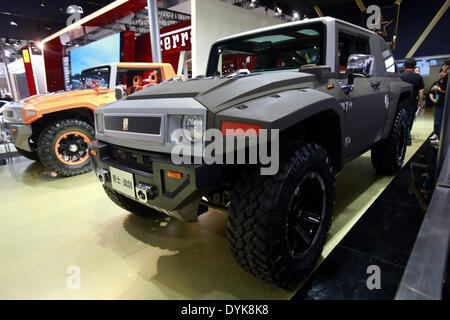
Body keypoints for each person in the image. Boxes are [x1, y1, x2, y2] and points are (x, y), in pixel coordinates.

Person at [400, 58, 424, 145]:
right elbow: (421, 91)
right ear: (414, 67)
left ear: (404, 66)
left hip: (401, 103)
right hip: (413, 103)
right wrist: (420, 102)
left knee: (401, 121)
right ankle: (407, 139)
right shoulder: (418, 77)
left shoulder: (400, 76)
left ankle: (402, 139)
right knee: (409, 121)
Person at [429, 60, 449, 147]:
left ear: (446, 66)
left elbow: (444, 90)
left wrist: (437, 88)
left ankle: (440, 139)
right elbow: (430, 91)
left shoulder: (446, 78)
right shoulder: (436, 82)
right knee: (437, 121)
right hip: (437, 104)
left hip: (442, 104)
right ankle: (436, 134)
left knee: (440, 121)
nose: (442, 73)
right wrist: (433, 99)